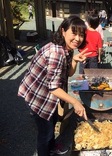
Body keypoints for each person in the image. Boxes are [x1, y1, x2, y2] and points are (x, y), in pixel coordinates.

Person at [18, 16, 91, 156]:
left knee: (52, 123)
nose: (78, 38)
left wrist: (75, 61)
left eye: (81, 35)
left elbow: (68, 74)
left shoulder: (67, 48)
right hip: (37, 95)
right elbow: (54, 88)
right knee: (45, 133)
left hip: (49, 94)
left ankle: (52, 148)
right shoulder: (56, 52)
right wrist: (75, 102)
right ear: (63, 31)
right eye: (74, 33)